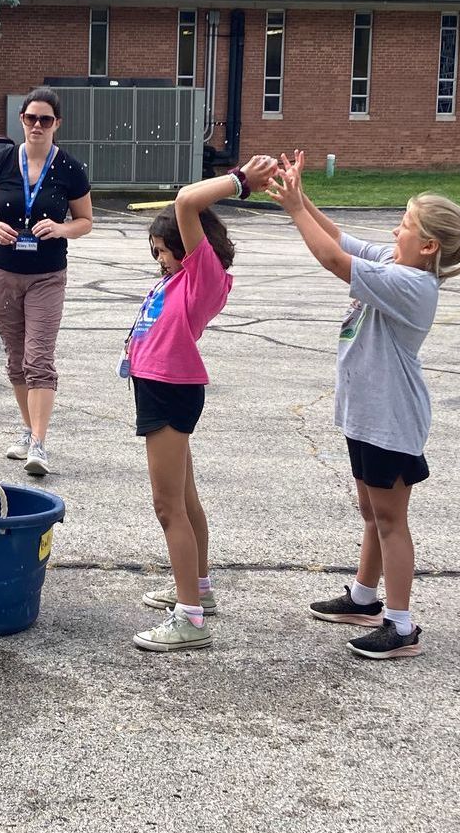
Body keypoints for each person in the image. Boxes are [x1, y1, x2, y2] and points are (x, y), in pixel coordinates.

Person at [268, 152, 460, 660]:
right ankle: (364, 599)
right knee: (371, 510)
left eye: (405, 224)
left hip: (391, 418)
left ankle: (400, 623)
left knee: (391, 519)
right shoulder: (396, 263)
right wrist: (300, 198)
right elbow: (340, 239)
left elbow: (331, 260)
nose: (396, 229)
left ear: (429, 245)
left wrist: (291, 209)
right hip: (369, 412)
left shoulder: (413, 284)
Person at [130, 156, 279, 653]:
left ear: (190, 248)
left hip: (170, 390)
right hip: (158, 386)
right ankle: (198, 588)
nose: (160, 260)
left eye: (164, 251)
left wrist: (240, 181)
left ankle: (189, 617)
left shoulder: (202, 277)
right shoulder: (179, 278)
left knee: (166, 505)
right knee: (185, 498)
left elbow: (187, 201)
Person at [0, 87, 93, 477]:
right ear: (21, 120)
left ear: (57, 124)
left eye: (45, 120)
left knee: (39, 357)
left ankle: (39, 443)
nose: (37, 126)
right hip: (4, 273)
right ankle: (27, 429)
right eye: (30, 118)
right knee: (15, 358)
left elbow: (86, 221)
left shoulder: (71, 169)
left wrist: (61, 228)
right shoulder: (2, 162)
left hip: (46, 276)